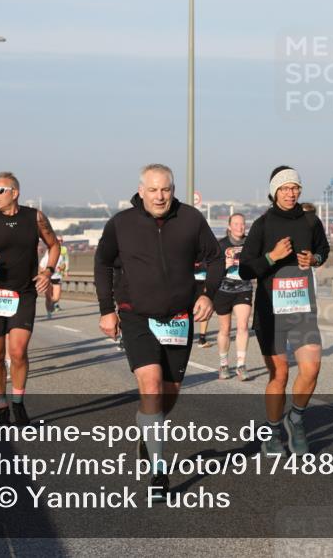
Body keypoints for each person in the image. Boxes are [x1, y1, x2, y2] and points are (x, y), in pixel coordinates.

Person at [94, 163, 222, 500]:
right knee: (150, 385)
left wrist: (208, 293)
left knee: (169, 393)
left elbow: (217, 258)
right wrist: (107, 309)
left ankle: (147, 429)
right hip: (136, 316)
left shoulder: (192, 219)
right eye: (153, 190)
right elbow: (102, 263)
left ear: (173, 189)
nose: (160, 196)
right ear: (141, 190)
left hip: (179, 318)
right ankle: (158, 471)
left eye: (165, 189)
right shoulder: (121, 224)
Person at [239, 166, 330, 457]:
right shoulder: (263, 225)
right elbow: (244, 269)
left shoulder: (310, 221)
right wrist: (272, 256)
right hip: (270, 311)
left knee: (312, 367)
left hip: (302, 306)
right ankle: (273, 430)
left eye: (295, 188)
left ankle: (296, 419)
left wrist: (313, 258)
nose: (291, 193)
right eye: (285, 188)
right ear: (274, 191)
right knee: (278, 375)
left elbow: (323, 249)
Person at [0, 172, 60, 427]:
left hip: (23, 293)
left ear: (14, 193)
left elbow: (54, 245)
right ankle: (1, 403)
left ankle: (18, 402)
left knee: (17, 352)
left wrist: (48, 271)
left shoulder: (34, 217)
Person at [214, 213, 254, 381]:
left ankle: (241, 365)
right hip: (223, 290)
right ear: (229, 226)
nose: (240, 227)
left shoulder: (251, 244)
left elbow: (257, 264)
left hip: (243, 288)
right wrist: (223, 266)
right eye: (236, 224)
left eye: (242, 224)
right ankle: (224, 364)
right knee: (225, 329)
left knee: (243, 326)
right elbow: (212, 269)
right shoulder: (221, 244)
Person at [40, 237, 69, 319]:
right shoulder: (46, 258)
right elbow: (41, 268)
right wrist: (43, 274)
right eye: (58, 241)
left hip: (57, 277)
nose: (60, 242)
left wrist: (62, 268)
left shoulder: (60, 256)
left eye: (61, 241)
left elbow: (63, 265)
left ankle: (52, 303)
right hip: (48, 278)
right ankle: (49, 312)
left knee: (56, 297)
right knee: (48, 297)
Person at [193, 261, 212, 348]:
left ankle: (202, 339)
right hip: (189, 280)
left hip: (204, 280)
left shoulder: (207, 250)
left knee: (204, 309)